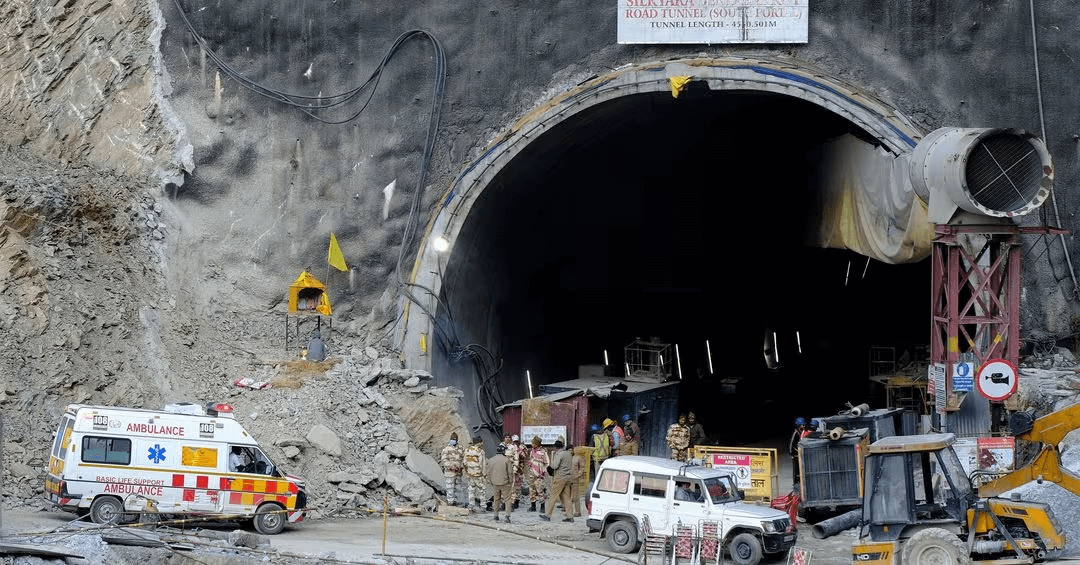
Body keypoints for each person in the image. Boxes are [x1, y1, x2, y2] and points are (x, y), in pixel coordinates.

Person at [539, 437, 574, 522]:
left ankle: (547, 515)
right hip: (568, 478)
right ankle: (570, 516)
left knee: (553, 496)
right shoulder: (568, 454)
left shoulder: (559, 454)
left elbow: (554, 466)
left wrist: (549, 466)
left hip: (560, 478)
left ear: (556, 447)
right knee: (567, 498)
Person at [487, 444, 514, 523]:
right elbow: (510, 473)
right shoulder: (506, 460)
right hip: (505, 483)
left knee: (496, 499)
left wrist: (491, 481)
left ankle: (496, 515)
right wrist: (510, 481)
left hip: (495, 483)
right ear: (503, 451)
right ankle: (507, 516)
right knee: (507, 499)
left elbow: (488, 473)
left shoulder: (491, 460)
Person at [463, 435, 488, 511]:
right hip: (478, 475)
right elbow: (482, 464)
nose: (482, 443)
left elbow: (464, 462)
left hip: (470, 474)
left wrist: (467, 471)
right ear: (478, 443)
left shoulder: (467, 450)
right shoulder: (480, 451)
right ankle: (483, 506)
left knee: (471, 490)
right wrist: (484, 474)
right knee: (482, 490)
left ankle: (471, 505)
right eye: (481, 442)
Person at [439, 432, 465, 506]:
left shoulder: (461, 448)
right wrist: (451, 467)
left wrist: (461, 466)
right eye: (452, 439)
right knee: (450, 489)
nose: (453, 441)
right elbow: (444, 460)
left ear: (457, 440)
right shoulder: (446, 449)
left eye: (454, 439)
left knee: (458, 488)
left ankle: (457, 503)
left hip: (458, 473)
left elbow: (464, 459)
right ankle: (450, 502)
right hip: (449, 473)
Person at [525, 436, 550, 512]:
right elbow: (531, 459)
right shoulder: (532, 451)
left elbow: (547, 463)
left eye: (533, 443)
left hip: (539, 475)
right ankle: (533, 506)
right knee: (532, 490)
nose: (532, 444)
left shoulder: (543, 452)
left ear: (537, 443)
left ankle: (542, 507)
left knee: (540, 491)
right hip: (531, 474)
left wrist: (543, 471)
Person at [504, 434, 525, 509]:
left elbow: (523, 457)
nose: (515, 443)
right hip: (512, 470)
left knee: (517, 487)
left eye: (517, 441)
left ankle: (516, 502)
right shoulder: (511, 448)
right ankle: (510, 502)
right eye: (514, 441)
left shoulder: (521, 448)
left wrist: (520, 451)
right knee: (510, 487)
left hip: (519, 471)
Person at [570, 444, 587, 517]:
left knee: (576, 496)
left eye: (571, 450)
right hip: (567, 478)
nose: (570, 451)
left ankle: (577, 511)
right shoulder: (567, 458)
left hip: (575, 478)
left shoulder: (578, 458)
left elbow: (582, 467)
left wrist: (578, 475)